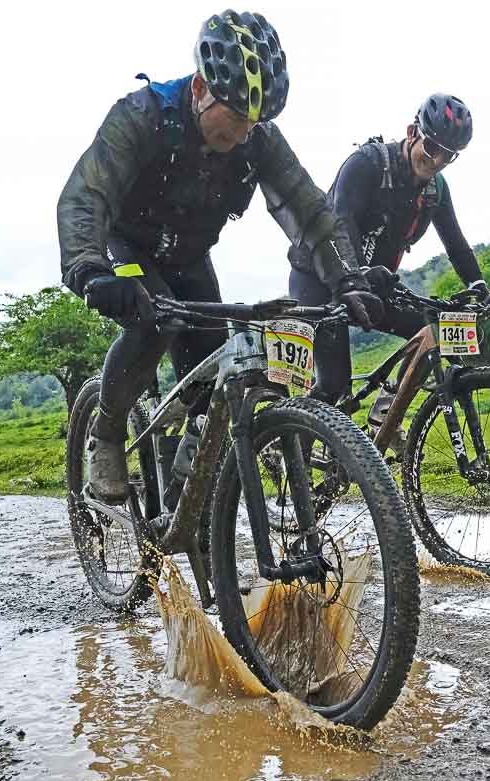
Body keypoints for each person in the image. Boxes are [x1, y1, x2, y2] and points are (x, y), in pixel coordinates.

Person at [57, 10, 382, 503]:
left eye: (254, 124)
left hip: (190, 258)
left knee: (212, 370)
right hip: (128, 252)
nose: (243, 135)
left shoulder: (259, 139)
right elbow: (87, 195)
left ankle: (188, 491)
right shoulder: (141, 116)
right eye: (234, 120)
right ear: (199, 90)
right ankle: (106, 431)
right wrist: (88, 269)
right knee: (153, 321)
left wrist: (348, 278)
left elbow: (309, 209)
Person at [287, 94, 490, 444]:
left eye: (448, 155)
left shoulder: (436, 190)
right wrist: (356, 274)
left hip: (376, 283)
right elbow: (341, 223)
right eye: (432, 147)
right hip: (318, 276)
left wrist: (479, 286)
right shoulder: (366, 164)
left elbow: (455, 242)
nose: (436, 160)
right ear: (412, 132)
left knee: (428, 332)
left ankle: (384, 419)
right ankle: (292, 454)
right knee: (333, 385)